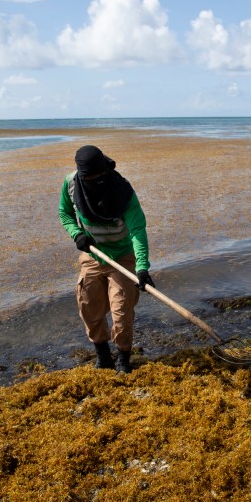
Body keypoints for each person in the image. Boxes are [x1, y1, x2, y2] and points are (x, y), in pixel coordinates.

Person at [59, 145, 154, 374]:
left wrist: (141, 268)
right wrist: (77, 234)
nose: (94, 181)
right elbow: (65, 213)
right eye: (88, 178)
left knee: (122, 309)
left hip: (123, 256)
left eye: (98, 176)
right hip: (93, 254)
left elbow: (137, 231)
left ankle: (123, 358)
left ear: (105, 171)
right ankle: (102, 356)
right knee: (89, 305)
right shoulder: (71, 184)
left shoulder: (122, 190)